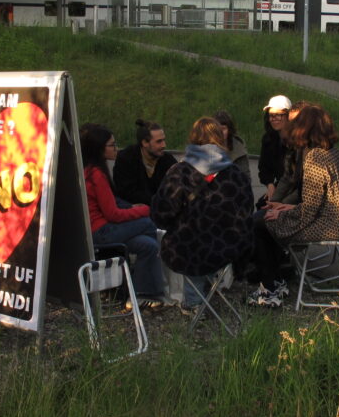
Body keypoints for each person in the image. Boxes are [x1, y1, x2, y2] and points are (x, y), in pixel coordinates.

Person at [249, 104, 339, 306]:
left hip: (326, 225)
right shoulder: (332, 152)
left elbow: (310, 208)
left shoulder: (315, 157)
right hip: (337, 220)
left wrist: (282, 214)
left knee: (260, 224)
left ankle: (270, 289)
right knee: (265, 218)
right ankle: (276, 280)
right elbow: (315, 198)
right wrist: (284, 207)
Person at [151, 117, 253, 312]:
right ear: (220, 140)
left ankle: (193, 303)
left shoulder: (180, 172)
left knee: (189, 240)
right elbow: (247, 212)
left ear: (193, 139)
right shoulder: (236, 175)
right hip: (230, 247)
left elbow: (162, 213)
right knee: (205, 241)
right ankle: (200, 296)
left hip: (189, 248)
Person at [80, 123, 165, 304]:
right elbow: (113, 215)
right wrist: (143, 209)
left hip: (103, 229)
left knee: (148, 245)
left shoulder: (90, 172)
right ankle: (145, 287)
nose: (116, 148)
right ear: (99, 148)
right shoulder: (96, 175)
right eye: (112, 145)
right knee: (149, 222)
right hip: (102, 232)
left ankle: (141, 294)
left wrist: (131, 208)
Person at [113, 119, 177, 206]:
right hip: (133, 208)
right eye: (159, 141)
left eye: (164, 140)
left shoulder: (168, 160)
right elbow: (126, 192)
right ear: (145, 143)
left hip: (160, 209)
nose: (164, 145)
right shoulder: (126, 159)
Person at [257, 95, 291, 206]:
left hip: (296, 191)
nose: (273, 119)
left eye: (278, 115)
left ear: (288, 116)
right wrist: (270, 185)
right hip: (280, 187)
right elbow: (264, 168)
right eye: (271, 115)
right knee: (261, 205)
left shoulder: (298, 141)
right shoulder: (268, 139)